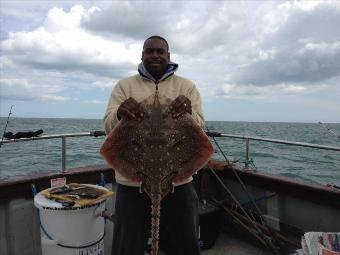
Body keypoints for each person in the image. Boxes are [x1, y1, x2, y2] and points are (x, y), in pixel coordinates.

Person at [104, 35, 205, 255]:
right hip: (132, 182)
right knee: (126, 246)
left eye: (160, 51)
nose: (155, 56)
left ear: (169, 56)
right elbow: (108, 126)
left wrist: (189, 112)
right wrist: (120, 112)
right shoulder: (124, 86)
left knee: (185, 244)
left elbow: (200, 127)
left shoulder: (186, 87)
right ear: (142, 55)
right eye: (150, 51)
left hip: (178, 181)